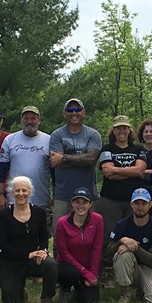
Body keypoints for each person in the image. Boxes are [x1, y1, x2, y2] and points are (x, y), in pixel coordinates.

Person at [93, 115, 147, 288]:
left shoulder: (138, 148)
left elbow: (140, 171)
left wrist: (116, 169)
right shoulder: (106, 149)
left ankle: (132, 273)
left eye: (125, 128)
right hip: (110, 200)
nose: (122, 131)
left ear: (129, 130)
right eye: (118, 128)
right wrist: (128, 171)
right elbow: (106, 172)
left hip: (134, 201)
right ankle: (106, 272)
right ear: (113, 130)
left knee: (133, 236)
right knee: (109, 236)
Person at [0, 176, 58, 303]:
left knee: (51, 264)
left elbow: (43, 237)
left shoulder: (39, 213)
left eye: (24, 190)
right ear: (12, 192)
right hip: (10, 262)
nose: (21, 194)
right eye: (17, 190)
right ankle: (20, 291)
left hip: (32, 260)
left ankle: (46, 299)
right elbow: (3, 245)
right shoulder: (4, 215)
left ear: (30, 192)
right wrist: (27, 255)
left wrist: (43, 250)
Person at [103, 188, 152, 303]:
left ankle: (144, 290)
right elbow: (108, 253)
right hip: (130, 268)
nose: (140, 207)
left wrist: (134, 247)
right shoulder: (122, 225)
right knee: (123, 254)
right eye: (137, 203)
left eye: (143, 203)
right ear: (131, 205)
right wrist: (122, 241)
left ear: (150, 204)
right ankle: (125, 293)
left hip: (150, 269)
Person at [49, 99, 102, 243]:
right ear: (64, 113)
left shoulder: (93, 134)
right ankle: (59, 265)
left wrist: (64, 158)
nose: (74, 113)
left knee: (89, 237)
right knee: (59, 236)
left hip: (88, 195)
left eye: (77, 109)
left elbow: (91, 160)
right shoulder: (57, 135)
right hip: (63, 195)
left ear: (83, 112)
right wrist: (81, 160)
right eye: (70, 110)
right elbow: (56, 162)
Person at [0, 106, 51, 210]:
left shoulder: (49, 140)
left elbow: (55, 172)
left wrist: (55, 196)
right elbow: (0, 171)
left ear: (39, 120)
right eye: (26, 118)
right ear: (21, 120)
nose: (29, 121)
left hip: (41, 201)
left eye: (33, 118)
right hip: (14, 200)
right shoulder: (10, 140)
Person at [55, 187, 104, 303]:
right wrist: (84, 272)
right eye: (77, 202)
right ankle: (65, 290)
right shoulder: (62, 223)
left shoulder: (98, 219)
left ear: (90, 204)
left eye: (85, 202)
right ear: (72, 203)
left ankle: (77, 291)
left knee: (90, 301)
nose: (80, 206)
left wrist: (92, 274)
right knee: (69, 272)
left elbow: (97, 248)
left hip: (87, 266)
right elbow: (63, 252)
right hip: (68, 265)